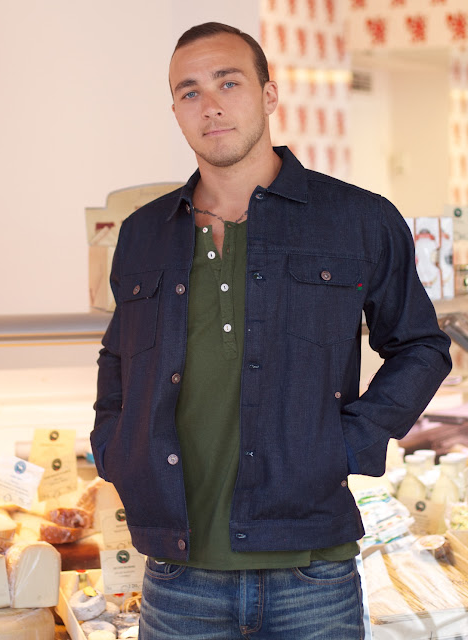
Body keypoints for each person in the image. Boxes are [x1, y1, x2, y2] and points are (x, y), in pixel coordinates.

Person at [91, 22, 452, 639]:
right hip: (178, 577)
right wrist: (114, 444)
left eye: (228, 83)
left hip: (312, 574)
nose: (210, 105)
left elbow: (420, 346)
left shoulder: (358, 219)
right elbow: (118, 357)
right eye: (189, 92)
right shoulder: (144, 232)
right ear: (176, 111)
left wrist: (350, 441)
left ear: (268, 94)